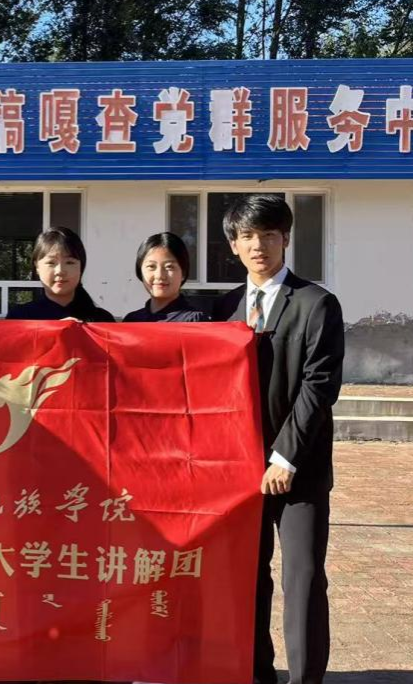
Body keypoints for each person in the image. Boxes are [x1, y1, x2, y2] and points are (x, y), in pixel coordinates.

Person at [213, 194, 344, 685]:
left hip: (298, 469)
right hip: (239, 471)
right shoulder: (224, 308)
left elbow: (319, 385)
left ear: (285, 239)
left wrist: (285, 457)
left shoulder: (316, 303)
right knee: (247, 578)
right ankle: (255, 673)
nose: (258, 246)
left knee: (303, 577)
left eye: (268, 235)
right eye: (247, 236)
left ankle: (305, 679)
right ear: (233, 244)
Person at [6, 226, 115, 322]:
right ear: (37, 267)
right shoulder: (19, 317)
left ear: (81, 268)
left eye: (69, 262)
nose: (60, 271)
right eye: (51, 263)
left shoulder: (102, 320)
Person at [122, 232, 209, 322]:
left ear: (183, 273)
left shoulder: (195, 320)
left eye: (169, 267)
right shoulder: (132, 320)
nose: (159, 275)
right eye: (151, 266)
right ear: (140, 271)